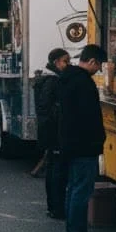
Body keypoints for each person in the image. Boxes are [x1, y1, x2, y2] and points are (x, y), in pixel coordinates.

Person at [58, 44, 107, 232]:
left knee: (73, 189)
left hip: (70, 143)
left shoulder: (67, 79)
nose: (99, 70)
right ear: (93, 62)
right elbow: (89, 118)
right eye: (99, 66)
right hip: (84, 145)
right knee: (81, 190)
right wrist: (99, 139)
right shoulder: (84, 84)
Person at [35, 48, 70, 219]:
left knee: (53, 168)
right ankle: (57, 207)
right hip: (54, 132)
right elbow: (47, 108)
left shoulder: (46, 78)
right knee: (57, 170)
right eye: (65, 61)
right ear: (56, 62)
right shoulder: (52, 81)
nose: (68, 65)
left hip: (49, 131)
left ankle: (53, 206)